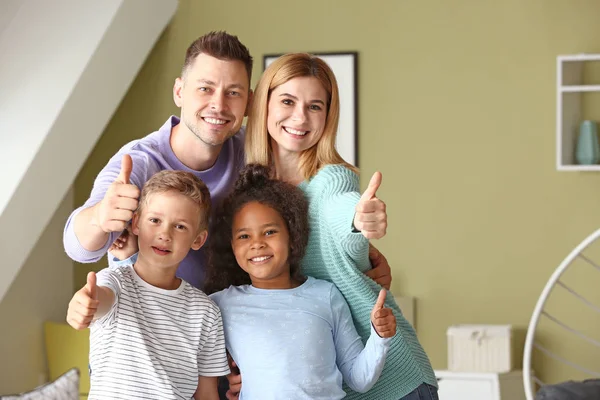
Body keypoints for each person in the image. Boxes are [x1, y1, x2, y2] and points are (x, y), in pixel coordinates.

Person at [63, 31, 392, 291]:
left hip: (228, 345)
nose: (218, 105)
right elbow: (78, 245)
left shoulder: (255, 151)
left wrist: (359, 247)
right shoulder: (141, 162)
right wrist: (101, 217)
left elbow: (319, 198)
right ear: (179, 91)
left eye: (233, 92)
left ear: (249, 102)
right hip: (154, 345)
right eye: (205, 89)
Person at [237, 53, 439, 400]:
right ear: (263, 104)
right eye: (287, 101)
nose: (300, 117)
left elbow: (340, 212)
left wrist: (359, 220)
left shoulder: (331, 180)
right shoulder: (249, 192)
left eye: (315, 106)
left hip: (394, 381)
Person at [206, 164, 396, 399]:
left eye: (269, 232)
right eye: (244, 236)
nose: (257, 244)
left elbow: (359, 379)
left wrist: (380, 337)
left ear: (293, 236)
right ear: (232, 247)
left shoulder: (326, 295)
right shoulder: (219, 305)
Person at [66, 170, 229, 399]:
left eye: (180, 226)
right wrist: (84, 305)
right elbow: (98, 300)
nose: (164, 234)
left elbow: (207, 394)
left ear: (198, 239)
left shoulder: (206, 312)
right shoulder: (114, 282)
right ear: (136, 224)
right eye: (155, 220)